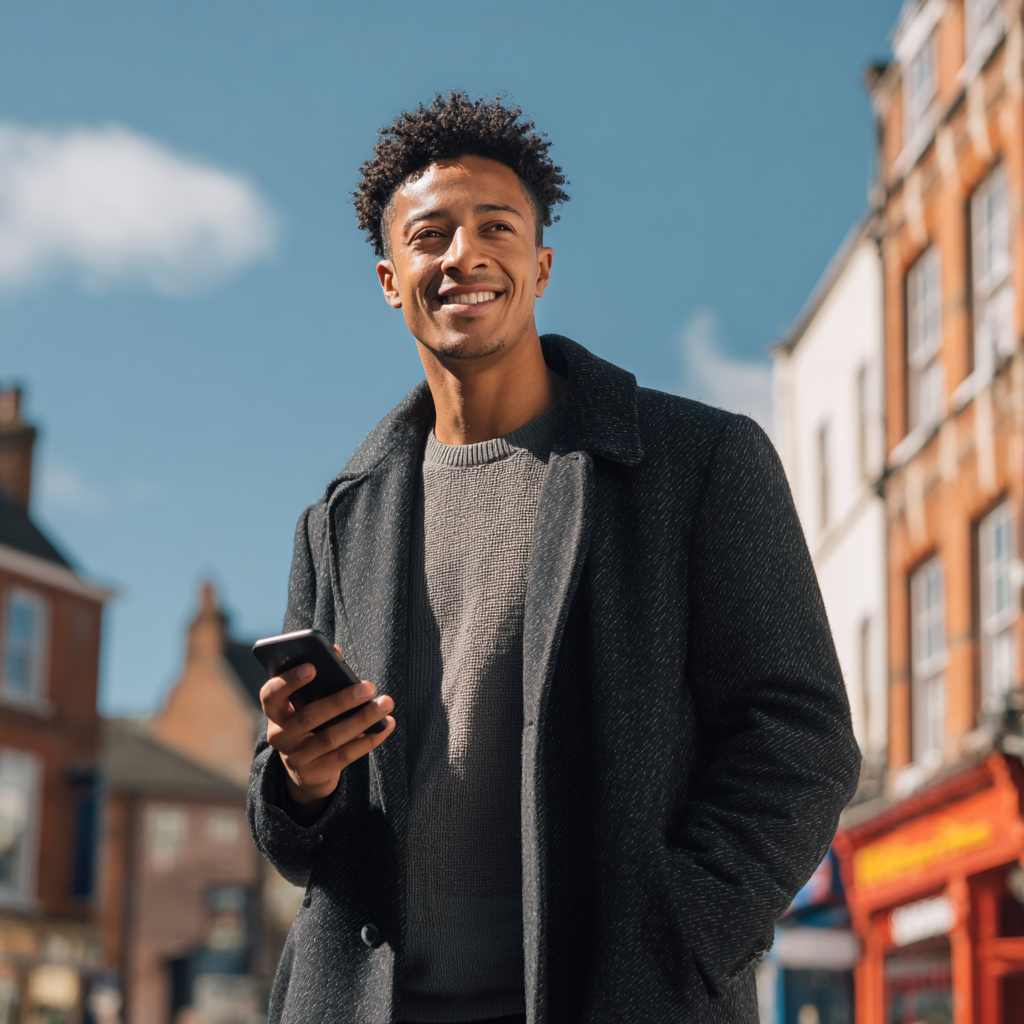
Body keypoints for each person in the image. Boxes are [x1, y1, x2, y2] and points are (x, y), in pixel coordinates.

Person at [247, 92, 860, 1024]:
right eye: (429, 235)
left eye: (496, 227)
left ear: (540, 265)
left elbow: (801, 741)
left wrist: (680, 935)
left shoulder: (701, 462)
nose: (464, 254)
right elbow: (296, 842)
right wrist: (302, 780)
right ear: (389, 278)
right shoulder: (337, 520)